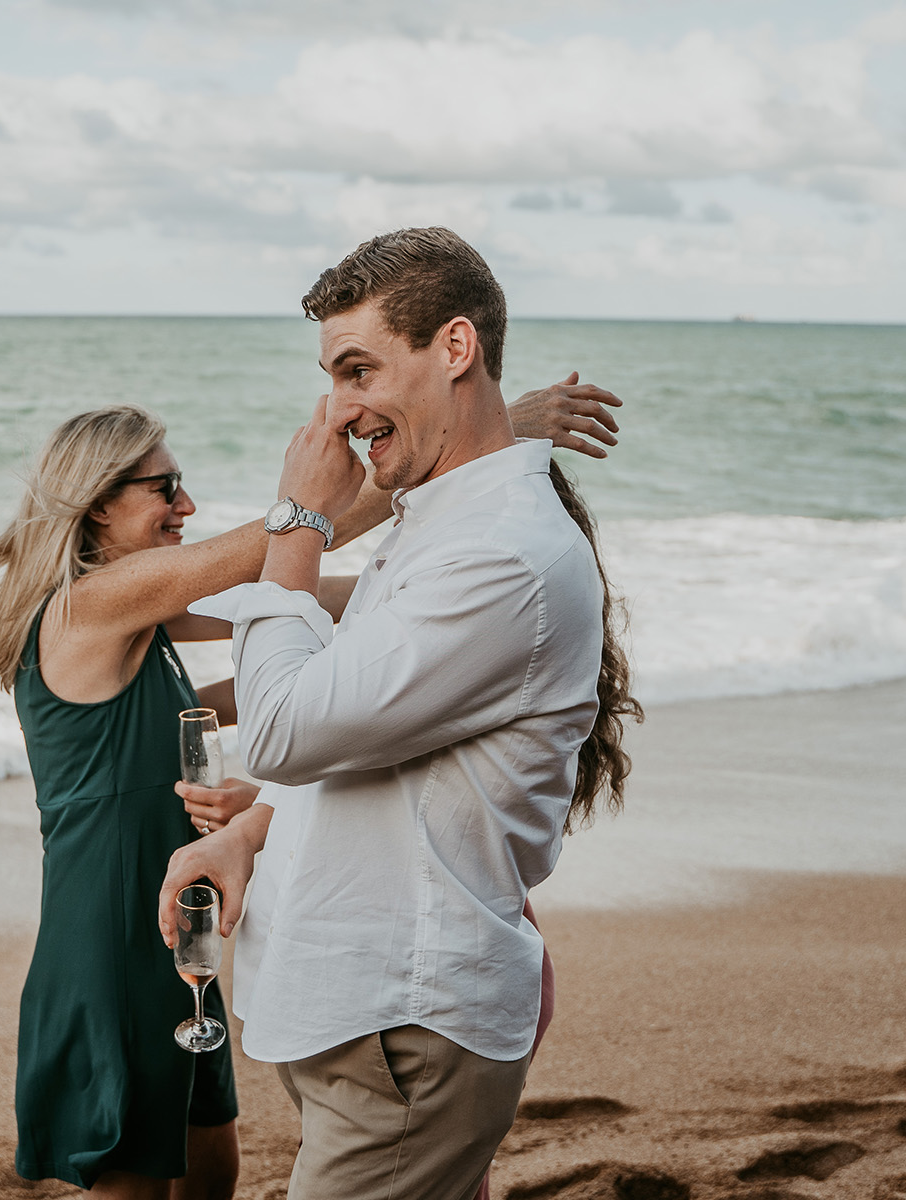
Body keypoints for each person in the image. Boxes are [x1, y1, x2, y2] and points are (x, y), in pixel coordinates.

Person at [0, 373, 622, 1198]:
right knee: (131, 1171)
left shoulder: (144, 621)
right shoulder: (91, 604)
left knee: (213, 1165)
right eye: (164, 487)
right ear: (97, 504)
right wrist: (486, 437)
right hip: (108, 920)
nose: (186, 504)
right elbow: (277, 549)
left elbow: (297, 599)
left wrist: (418, 593)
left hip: (181, 912)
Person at [160, 227, 641, 1200]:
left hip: (405, 1035)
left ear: (454, 349)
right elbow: (371, 756)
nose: (337, 412)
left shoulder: (498, 554)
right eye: (332, 377)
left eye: (358, 369)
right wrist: (249, 835)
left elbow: (287, 729)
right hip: (369, 1023)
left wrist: (298, 525)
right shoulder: (443, 521)